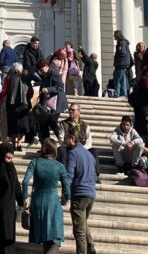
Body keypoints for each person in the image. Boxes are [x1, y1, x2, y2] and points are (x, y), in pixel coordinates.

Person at [22, 138, 71, 254]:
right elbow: (67, 189)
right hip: (53, 204)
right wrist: (65, 199)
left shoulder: (35, 162)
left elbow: (25, 182)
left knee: (45, 240)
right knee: (55, 240)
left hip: (37, 203)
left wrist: (25, 198)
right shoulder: (59, 166)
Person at [63, 124, 98, 254]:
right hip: (91, 194)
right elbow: (94, 175)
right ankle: (91, 244)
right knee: (82, 223)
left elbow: (69, 175)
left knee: (79, 232)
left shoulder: (73, 153)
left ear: (72, 139)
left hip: (79, 195)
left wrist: (65, 195)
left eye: (66, 138)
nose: (64, 141)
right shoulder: (89, 155)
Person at [30, 57, 67, 140]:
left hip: (56, 103)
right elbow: (42, 85)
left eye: (42, 69)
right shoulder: (45, 75)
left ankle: (63, 139)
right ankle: (46, 145)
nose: (41, 71)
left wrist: (48, 89)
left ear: (46, 66)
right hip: (48, 103)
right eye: (40, 70)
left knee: (52, 122)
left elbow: (60, 87)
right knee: (44, 123)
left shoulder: (54, 73)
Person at [4, 62, 32, 149]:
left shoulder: (9, 77)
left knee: (13, 126)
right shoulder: (26, 78)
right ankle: (19, 144)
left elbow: (4, 89)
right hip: (23, 104)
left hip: (11, 104)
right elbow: (31, 91)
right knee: (22, 126)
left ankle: (13, 144)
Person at [110, 31, 133, 98]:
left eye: (115, 35)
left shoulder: (121, 43)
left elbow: (122, 53)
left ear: (118, 35)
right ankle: (124, 94)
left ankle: (117, 94)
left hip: (121, 64)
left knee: (117, 79)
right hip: (123, 64)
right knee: (123, 80)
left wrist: (118, 61)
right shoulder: (123, 42)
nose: (114, 37)